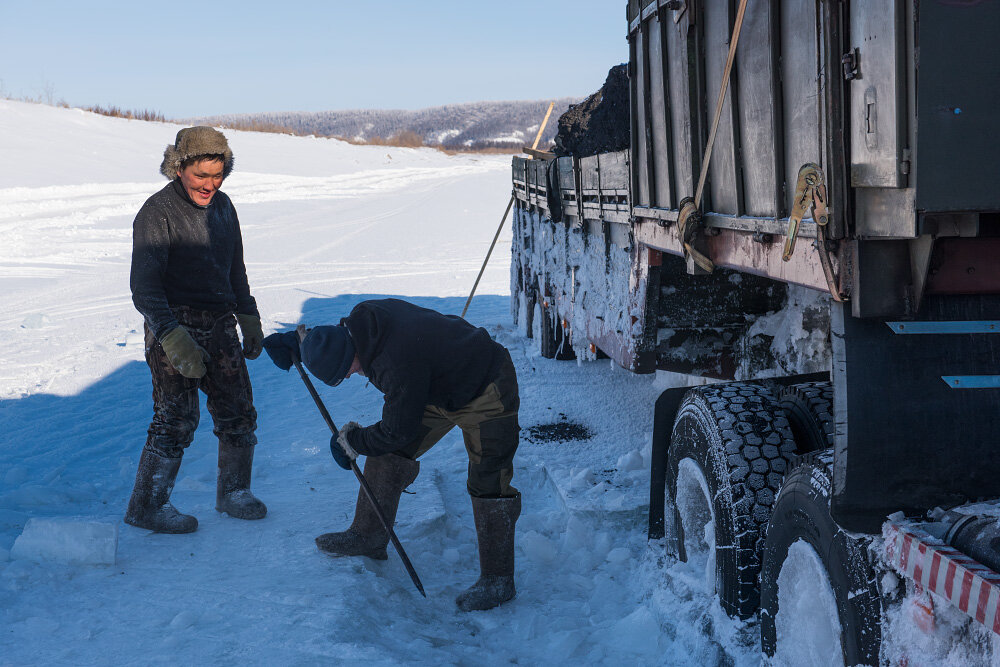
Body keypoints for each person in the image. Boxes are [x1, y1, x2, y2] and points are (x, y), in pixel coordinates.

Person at [263, 299, 521, 611]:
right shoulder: (359, 323)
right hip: (433, 384)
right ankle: (368, 536)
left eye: (348, 370)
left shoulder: (396, 362)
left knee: (488, 477)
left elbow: (398, 429)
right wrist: (304, 343)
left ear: (351, 352)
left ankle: (498, 579)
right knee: (388, 453)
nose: (350, 377)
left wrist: (354, 441)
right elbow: (333, 339)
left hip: (484, 382)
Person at [124, 126, 267, 534]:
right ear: (179, 167)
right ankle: (147, 505)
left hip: (220, 322)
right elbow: (144, 288)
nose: (210, 184)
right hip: (173, 324)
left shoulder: (224, 208)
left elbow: (234, 268)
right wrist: (170, 336)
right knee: (176, 420)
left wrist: (248, 315)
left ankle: (234, 492)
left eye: (218, 175)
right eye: (201, 175)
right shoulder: (156, 212)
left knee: (239, 412)